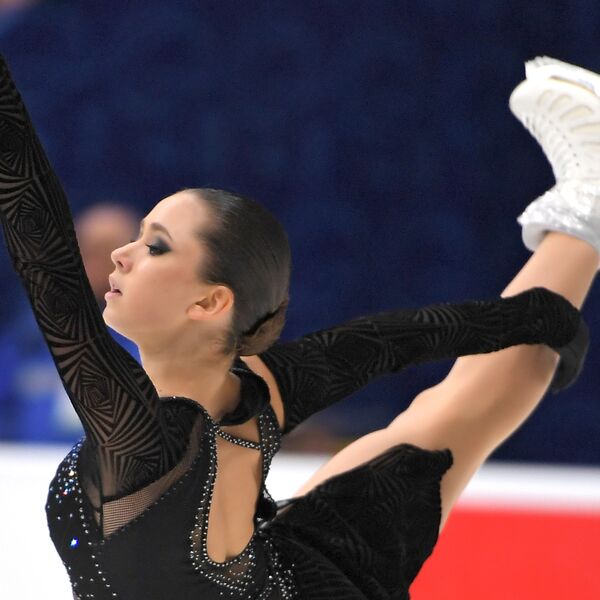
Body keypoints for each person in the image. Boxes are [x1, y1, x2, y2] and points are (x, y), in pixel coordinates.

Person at [0, 53, 596, 600]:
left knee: (440, 421)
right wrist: (534, 318)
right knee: (439, 420)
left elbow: (45, 253)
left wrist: (536, 320)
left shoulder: (140, 431)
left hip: (282, 579)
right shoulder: (261, 388)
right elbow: (391, 341)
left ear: (209, 301)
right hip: (287, 578)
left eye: (153, 246)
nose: (121, 255)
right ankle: (584, 211)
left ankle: (587, 205)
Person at [0, 201, 141, 442]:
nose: (85, 261)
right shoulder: (30, 336)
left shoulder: (151, 342)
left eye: (105, 251)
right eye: (80, 248)